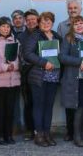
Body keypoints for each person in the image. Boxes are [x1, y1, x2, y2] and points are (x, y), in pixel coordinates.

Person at [57, 0, 83, 141]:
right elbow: (61, 55)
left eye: (81, 23)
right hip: (73, 75)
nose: (79, 25)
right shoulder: (66, 33)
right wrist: (79, 61)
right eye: (70, 8)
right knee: (75, 104)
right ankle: (75, 134)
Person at [22, 11, 62, 147]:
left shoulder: (56, 36)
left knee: (49, 105)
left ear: (52, 23)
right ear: (39, 23)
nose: (46, 24)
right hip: (39, 75)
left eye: (48, 21)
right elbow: (27, 54)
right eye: (43, 21)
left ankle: (47, 133)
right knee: (39, 105)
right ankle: (39, 134)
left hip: (54, 76)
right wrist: (44, 63)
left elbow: (60, 54)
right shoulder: (35, 35)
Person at [0, 17, 22, 145]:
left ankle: (8, 135)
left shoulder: (15, 40)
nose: (5, 29)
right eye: (3, 26)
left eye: (8, 27)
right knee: (0, 110)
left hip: (14, 80)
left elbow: (20, 58)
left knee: (10, 110)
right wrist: (6, 67)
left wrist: (15, 65)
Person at [18, 9, 39, 141]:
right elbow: (19, 56)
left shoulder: (43, 34)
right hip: (26, 74)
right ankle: (29, 129)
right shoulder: (21, 36)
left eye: (33, 19)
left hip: (40, 73)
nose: (31, 21)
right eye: (28, 19)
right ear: (25, 22)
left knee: (39, 103)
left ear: (37, 20)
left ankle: (40, 129)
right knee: (28, 103)